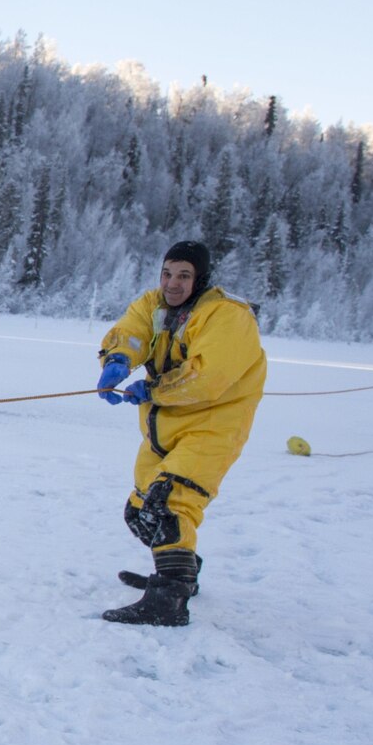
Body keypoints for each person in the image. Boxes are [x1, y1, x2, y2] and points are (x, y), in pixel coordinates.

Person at [93, 240, 264, 626]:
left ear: (200, 278)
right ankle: (181, 570)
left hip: (211, 428)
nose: (172, 283)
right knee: (139, 511)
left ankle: (169, 599)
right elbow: (133, 332)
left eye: (184, 276)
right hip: (163, 428)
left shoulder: (227, 315)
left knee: (167, 503)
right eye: (167, 273)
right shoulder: (154, 304)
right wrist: (119, 358)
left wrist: (154, 390)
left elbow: (208, 376)